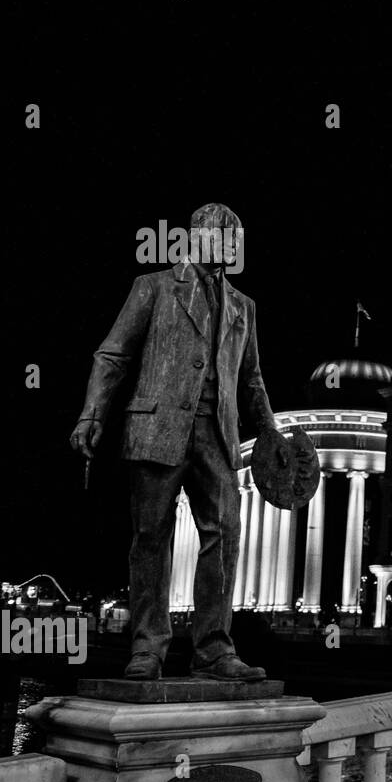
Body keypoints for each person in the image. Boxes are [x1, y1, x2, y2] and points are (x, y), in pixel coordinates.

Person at [70, 204, 274, 682]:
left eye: (234, 241)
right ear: (194, 238)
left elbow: (252, 380)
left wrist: (270, 432)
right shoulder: (154, 286)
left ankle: (214, 649)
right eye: (220, 237)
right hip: (156, 429)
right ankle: (148, 648)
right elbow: (112, 354)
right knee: (150, 538)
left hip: (218, 436)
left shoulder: (244, 306)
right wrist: (92, 413)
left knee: (225, 533)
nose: (228, 247)